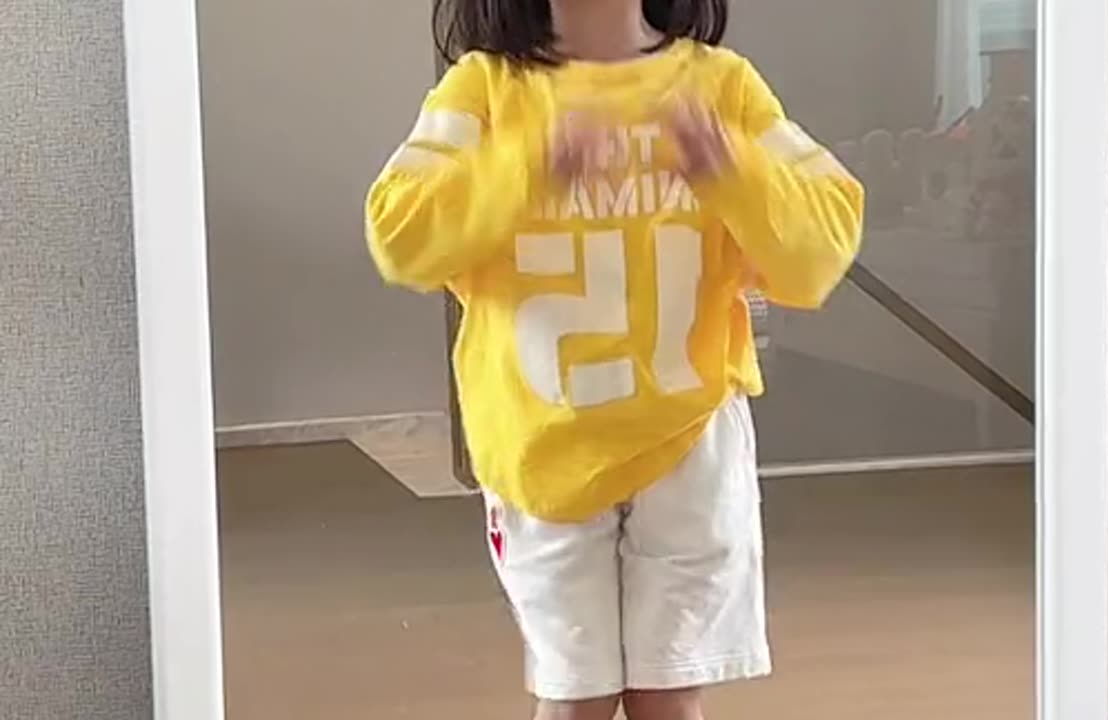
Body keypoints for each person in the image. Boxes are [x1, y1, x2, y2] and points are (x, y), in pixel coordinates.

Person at [365, 0, 864, 717]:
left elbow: (820, 250)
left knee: (669, 696)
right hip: (542, 447)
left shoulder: (721, 85)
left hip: (689, 441)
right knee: (577, 700)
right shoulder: (482, 90)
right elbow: (401, 238)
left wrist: (733, 170)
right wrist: (529, 168)